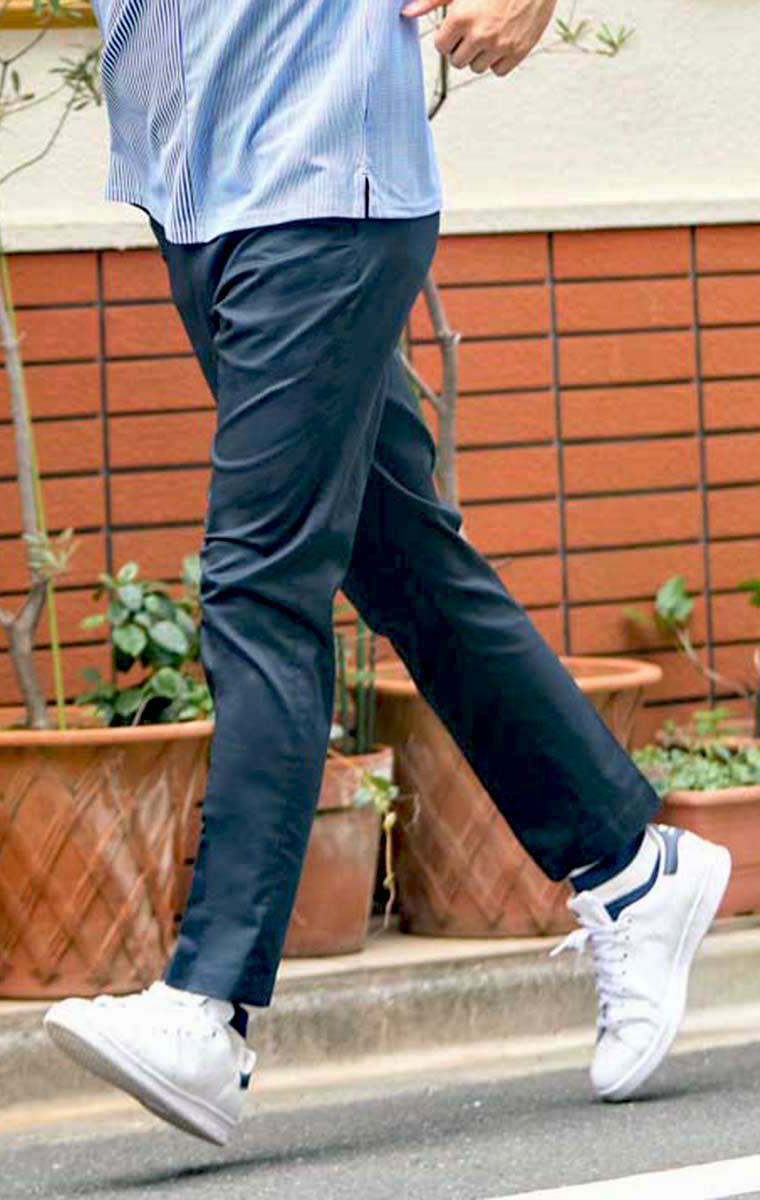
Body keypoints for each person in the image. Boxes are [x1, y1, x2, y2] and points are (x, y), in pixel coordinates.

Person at [44, 0, 732, 1145]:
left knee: (259, 583)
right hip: (192, 177)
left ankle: (207, 1007)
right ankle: (630, 869)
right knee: (401, 561)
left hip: (317, 171)